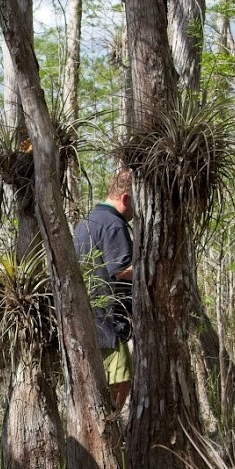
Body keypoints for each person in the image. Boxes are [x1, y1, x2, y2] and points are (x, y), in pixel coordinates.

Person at [73, 168, 136, 411]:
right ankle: (110, 430)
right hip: (108, 321)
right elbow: (121, 270)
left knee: (103, 380)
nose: (134, 213)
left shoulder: (87, 221)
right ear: (126, 198)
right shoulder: (113, 224)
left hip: (88, 318)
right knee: (120, 380)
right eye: (135, 206)